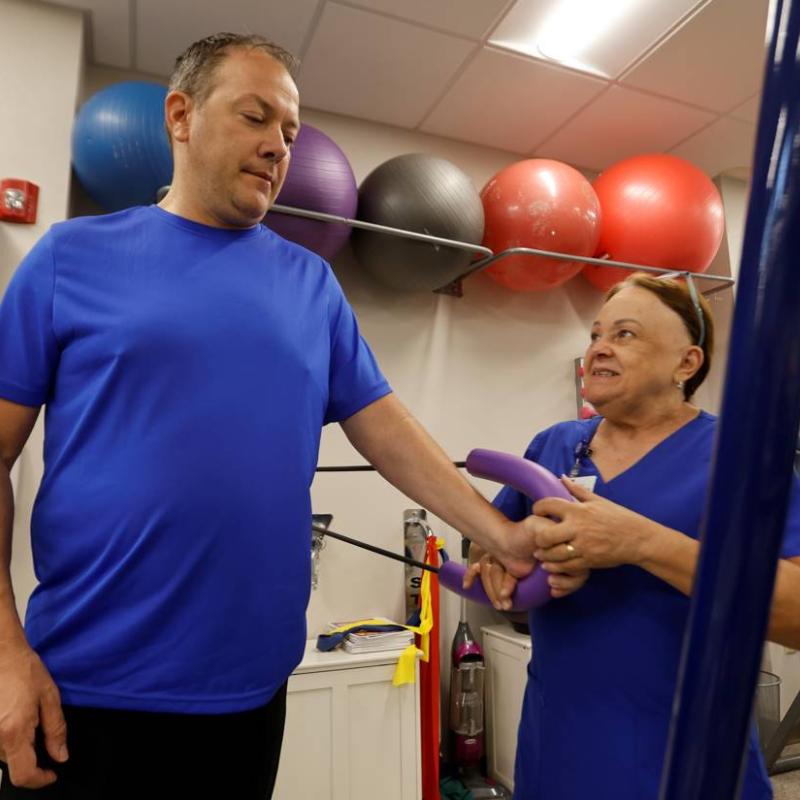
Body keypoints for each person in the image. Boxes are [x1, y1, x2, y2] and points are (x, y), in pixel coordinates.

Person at [0, 33, 538, 798]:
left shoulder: (311, 284)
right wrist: (2, 657)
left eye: (289, 132)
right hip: (89, 689)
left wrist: (502, 534)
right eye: (256, 118)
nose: (277, 146)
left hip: (251, 690)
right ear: (180, 116)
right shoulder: (67, 259)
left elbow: (384, 427)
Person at [466, 273, 800, 799]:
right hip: (557, 754)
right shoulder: (554, 445)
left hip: (689, 765)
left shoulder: (742, 458)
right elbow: (486, 550)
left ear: (685, 364)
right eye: (596, 334)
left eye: (625, 335)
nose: (598, 348)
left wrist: (642, 543)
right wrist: (503, 562)